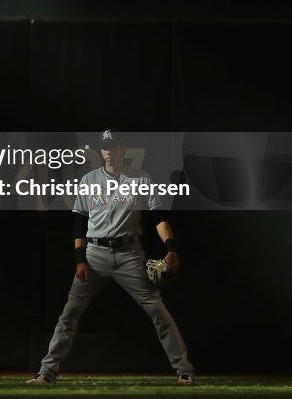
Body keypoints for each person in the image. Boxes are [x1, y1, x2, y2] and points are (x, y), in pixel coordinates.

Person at [27, 129, 195, 386]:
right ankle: (46, 373)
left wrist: (171, 248)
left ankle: (184, 371)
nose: (107, 151)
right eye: (104, 147)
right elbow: (78, 222)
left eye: (113, 146)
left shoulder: (140, 179)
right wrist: (79, 259)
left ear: (122, 149)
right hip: (94, 255)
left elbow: (159, 217)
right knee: (68, 315)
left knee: (158, 312)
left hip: (129, 255)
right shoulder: (89, 179)